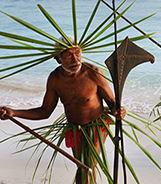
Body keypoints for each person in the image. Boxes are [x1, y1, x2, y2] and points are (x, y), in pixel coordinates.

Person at [0, 36, 126, 184]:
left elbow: (111, 102)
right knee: (83, 170)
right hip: (75, 129)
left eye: (77, 53)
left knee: (87, 168)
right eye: (68, 55)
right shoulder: (55, 79)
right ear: (58, 58)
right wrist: (14, 113)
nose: (75, 59)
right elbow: (45, 111)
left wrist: (117, 110)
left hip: (97, 126)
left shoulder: (93, 73)